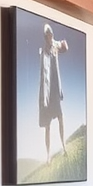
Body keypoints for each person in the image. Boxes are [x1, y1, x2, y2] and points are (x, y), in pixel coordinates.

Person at [38, 24, 68, 165]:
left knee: (61, 118)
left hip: (56, 90)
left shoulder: (55, 46)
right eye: (47, 35)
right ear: (45, 37)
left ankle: (64, 146)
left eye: (51, 34)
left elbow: (65, 48)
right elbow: (44, 76)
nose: (50, 37)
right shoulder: (43, 52)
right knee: (48, 126)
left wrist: (63, 43)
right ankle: (48, 156)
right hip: (47, 93)